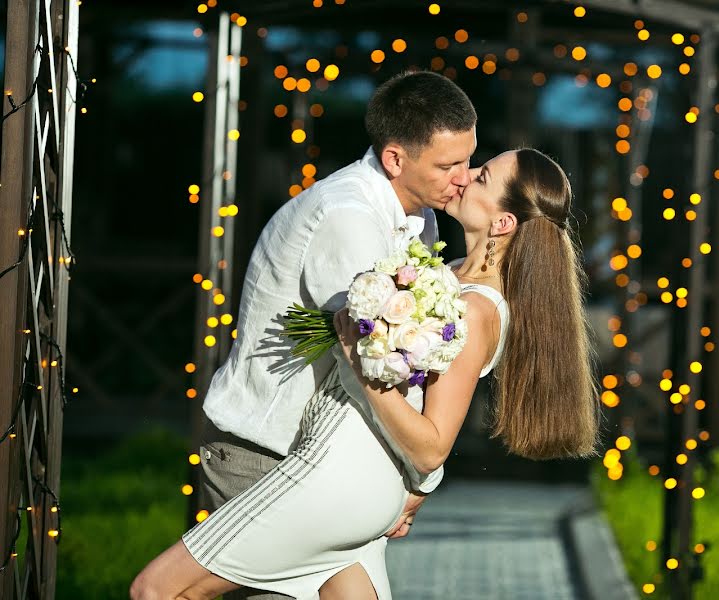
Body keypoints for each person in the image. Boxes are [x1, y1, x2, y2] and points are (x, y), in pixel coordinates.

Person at [131, 146, 599, 600]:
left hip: (335, 478)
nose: (466, 174)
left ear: (502, 222)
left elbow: (433, 447)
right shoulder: (449, 273)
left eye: (481, 177)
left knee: (155, 589)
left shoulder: (476, 311)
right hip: (354, 474)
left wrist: (361, 361)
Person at [130, 70, 476, 600]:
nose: (464, 177)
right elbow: (375, 360)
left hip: (331, 462)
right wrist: (417, 474)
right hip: (269, 454)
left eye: (469, 159)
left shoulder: (418, 218)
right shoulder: (347, 216)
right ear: (394, 159)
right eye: (448, 164)